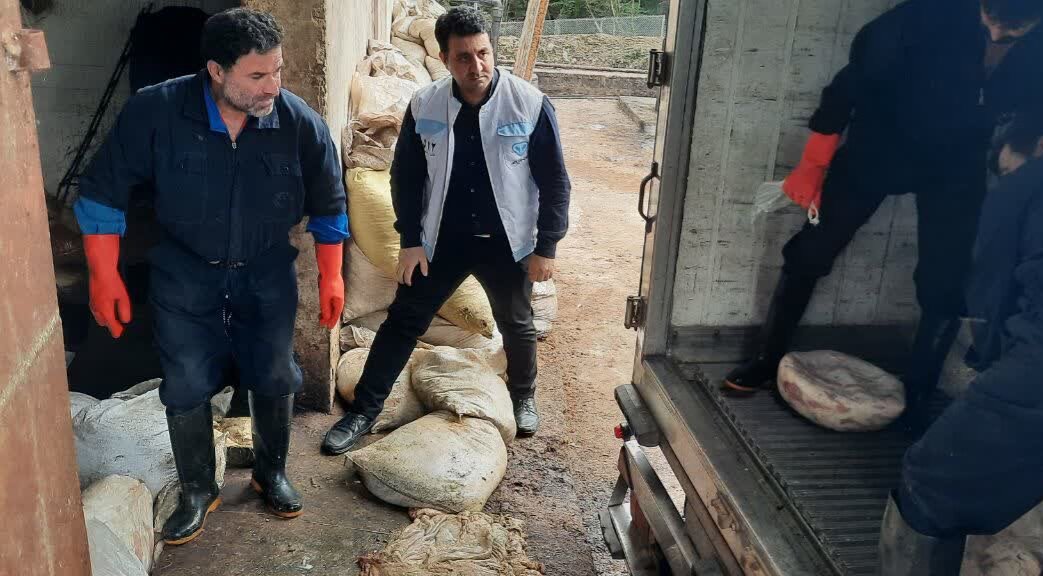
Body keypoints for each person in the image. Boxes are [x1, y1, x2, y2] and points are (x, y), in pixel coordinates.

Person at [73, 8, 349, 545]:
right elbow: (103, 194)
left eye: (277, 70)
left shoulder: (297, 121)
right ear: (216, 71)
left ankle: (271, 474)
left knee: (274, 372)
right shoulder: (155, 110)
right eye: (257, 75)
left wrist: (332, 277)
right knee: (185, 380)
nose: (273, 86)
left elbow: (330, 204)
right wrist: (104, 277)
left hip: (266, 270)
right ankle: (198, 490)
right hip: (184, 270)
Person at [723, 0, 1043, 426]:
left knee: (946, 279)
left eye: (1013, 34)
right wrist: (813, 163)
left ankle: (919, 394)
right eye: (991, 25)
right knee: (812, 250)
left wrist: (1021, 154)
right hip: (878, 146)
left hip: (957, 163)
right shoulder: (923, 16)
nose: (998, 38)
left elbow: (1033, 108)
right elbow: (848, 85)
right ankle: (766, 359)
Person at [321, 7, 571, 454]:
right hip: (443, 240)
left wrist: (546, 246)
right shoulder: (426, 104)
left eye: (483, 53)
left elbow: (555, 181)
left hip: (507, 240)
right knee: (403, 321)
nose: (476, 67)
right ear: (443, 57)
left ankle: (523, 395)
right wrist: (410, 241)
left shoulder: (529, 103)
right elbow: (406, 177)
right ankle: (364, 411)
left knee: (516, 322)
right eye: (463, 57)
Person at [879, 111, 1043, 574]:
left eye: (1009, 169)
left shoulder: (1031, 184)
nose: (1008, 180)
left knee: (931, 480)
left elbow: (999, 294)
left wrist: (994, 368)